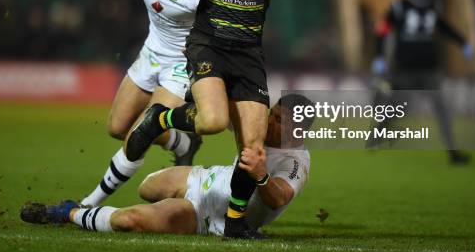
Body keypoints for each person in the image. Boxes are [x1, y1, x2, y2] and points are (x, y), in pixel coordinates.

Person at [0, 0, 203, 207]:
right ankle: (183, 142)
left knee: (139, 134)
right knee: (118, 128)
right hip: (152, 54)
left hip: (184, 64)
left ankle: (88, 205)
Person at [124, 0, 289, 239]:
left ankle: (233, 222)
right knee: (213, 121)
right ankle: (159, 120)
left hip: (248, 48)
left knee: (252, 147)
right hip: (209, 41)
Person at [20, 94, 312, 237]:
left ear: (298, 131)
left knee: (129, 221)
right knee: (147, 187)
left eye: (279, 121)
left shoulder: (296, 161)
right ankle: (185, 148)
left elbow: (279, 197)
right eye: (272, 114)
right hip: (207, 179)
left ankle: (67, 212)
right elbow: (221, 115)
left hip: (206, 214)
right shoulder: (257, 126)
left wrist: (261, 176)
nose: (269, 122)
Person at [369, 0, 473, 164]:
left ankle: (453, 151)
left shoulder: (434, 4)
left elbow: (443, 27)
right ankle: (378, 133)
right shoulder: (399, 6)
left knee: (441, 107)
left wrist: (462, 43)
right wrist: (379, 56)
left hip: (429, 67)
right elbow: (382, 30)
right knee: (400, 108)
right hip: (405, 68)